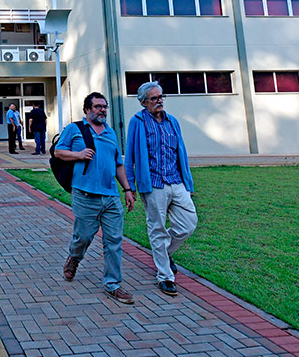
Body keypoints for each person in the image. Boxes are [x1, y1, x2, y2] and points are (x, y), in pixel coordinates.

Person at [54, 92, 136, 304]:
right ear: (87, 110)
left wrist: (127, 189)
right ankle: (74, 257)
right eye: (98, 106)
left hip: (111, 196)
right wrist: (78, 155)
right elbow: (58, 152)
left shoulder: (110, 132)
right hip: (85, 195)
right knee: (84, 237)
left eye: (104, 106)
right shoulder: (75, 129)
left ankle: (113, 284)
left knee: (114, 241)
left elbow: (118, 163)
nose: (103, 110)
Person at [125, 81, 198, 297]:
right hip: (153, 184)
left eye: (160, 97)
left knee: (189, 223)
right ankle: (165, 276)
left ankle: (164, 254)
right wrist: (129, 187)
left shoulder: (172, 122)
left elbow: (181, 153)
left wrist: (188, 183)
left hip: (176, 181)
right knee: (157, 229)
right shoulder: (137, 122)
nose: (159, 101)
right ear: (143, 102)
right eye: (154, 99)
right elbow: (129, 157)